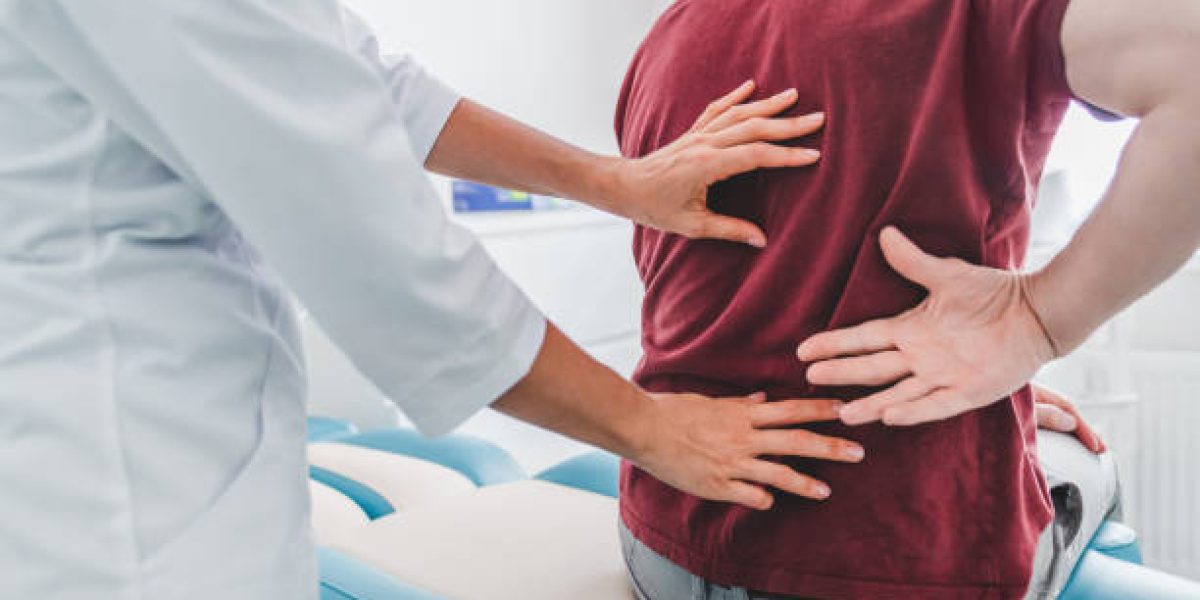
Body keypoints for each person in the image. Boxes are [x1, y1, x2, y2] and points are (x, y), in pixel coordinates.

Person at [0, 2, 865, 598]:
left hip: (184, 424)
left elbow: (370, 82)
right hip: (117, 479)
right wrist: (651, 430)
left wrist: (615, 183)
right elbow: (384, 260)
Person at [614, 0, 1194, 598]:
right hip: (892, 567)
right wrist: (1039, 322)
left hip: (658, 541)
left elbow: (721, 288)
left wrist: (1003, 398)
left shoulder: (668, 37)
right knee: (1093, 462)